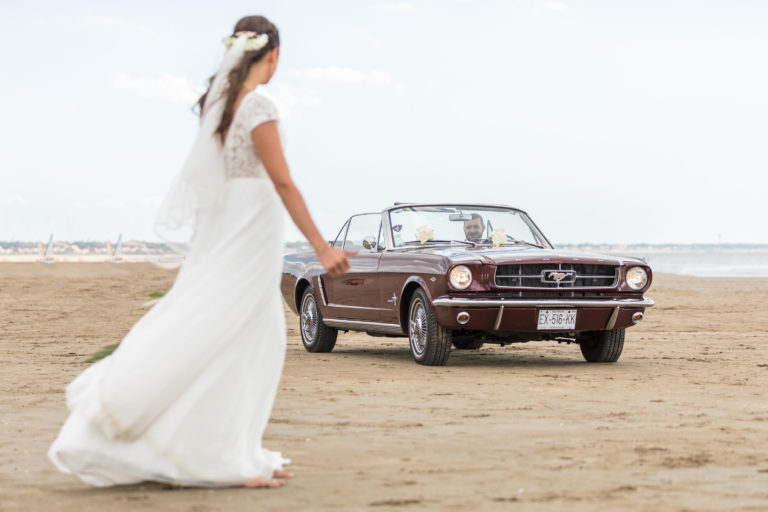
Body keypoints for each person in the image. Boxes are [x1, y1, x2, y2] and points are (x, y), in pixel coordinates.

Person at [48, 15, 352, 489]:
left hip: (236, 228)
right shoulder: (258, 107)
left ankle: (242, 451)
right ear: (271, 55)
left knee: (245, 334)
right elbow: (283, 182)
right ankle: (223, 458)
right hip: (250, 236)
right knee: (244, 338)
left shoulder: (222, 109)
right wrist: (321, 246)